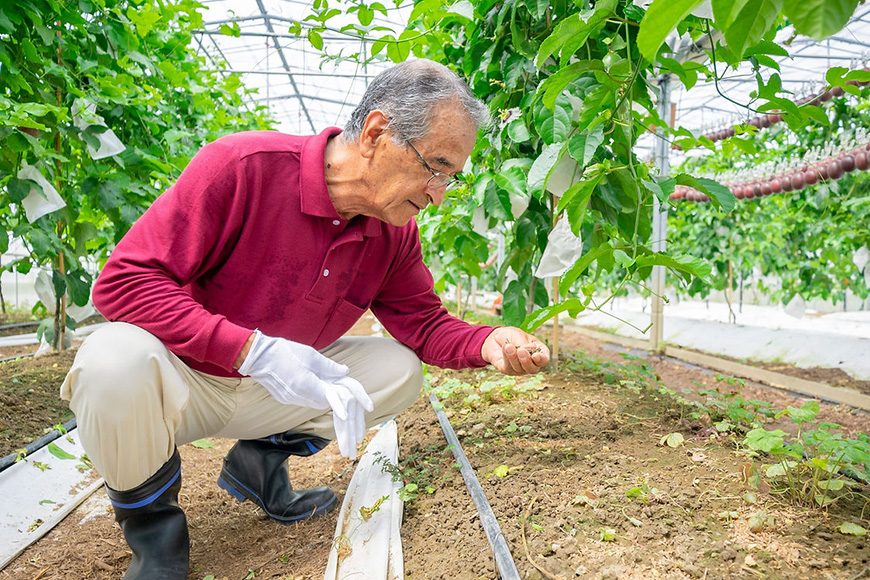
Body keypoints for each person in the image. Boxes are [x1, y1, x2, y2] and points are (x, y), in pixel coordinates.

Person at [61, 59, 550, 580]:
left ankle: (258, 465)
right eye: (435, 166)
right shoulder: (244, 166)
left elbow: (423, 324)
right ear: (377, 132)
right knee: (110, 362)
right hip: (183, 383)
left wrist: (489, 339)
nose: (438, 194)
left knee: (398, 369)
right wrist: (250, 350)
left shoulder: (393, 233)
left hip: (269, 395)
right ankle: (156, 540)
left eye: (452, 177)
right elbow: (124, 281)